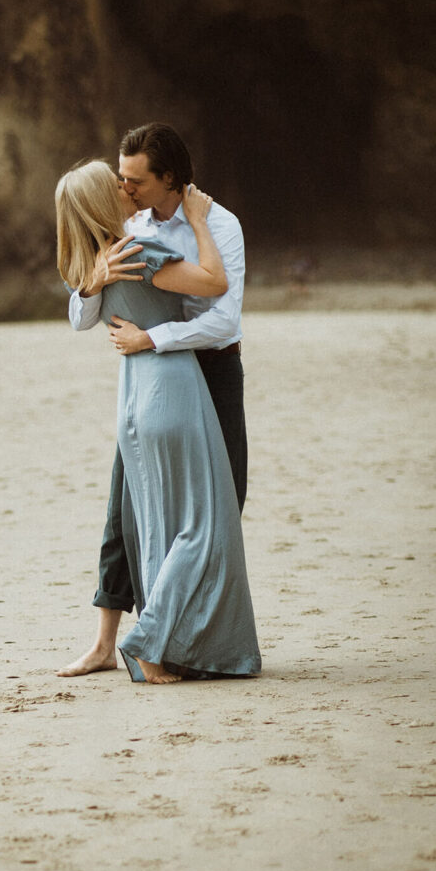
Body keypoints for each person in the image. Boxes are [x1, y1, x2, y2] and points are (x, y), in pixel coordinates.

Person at [55, 159, 260, 683]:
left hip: (147, 389)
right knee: (192, 522)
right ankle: (145, 641)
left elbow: (219, 317)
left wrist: (95, 282)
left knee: (163, 520)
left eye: (132, 178)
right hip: (171, 386)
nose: (126, 186)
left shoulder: (111, 252)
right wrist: (195, 220)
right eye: (117, 181)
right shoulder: (138, 247)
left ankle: (171, 639)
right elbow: (214, 284)